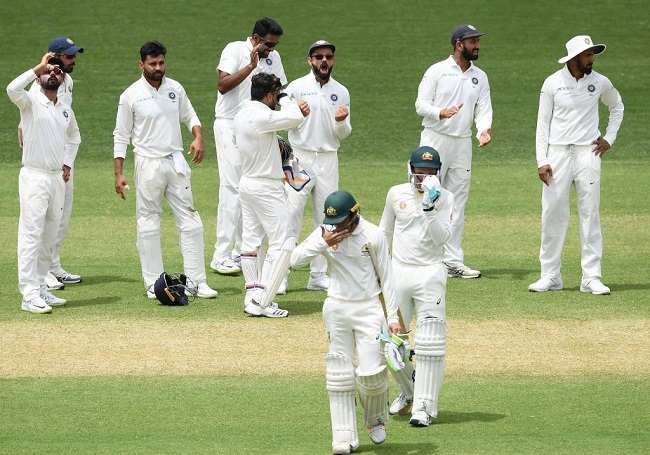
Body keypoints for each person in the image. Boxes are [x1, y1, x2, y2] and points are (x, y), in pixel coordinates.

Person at [291, 190, 401, 454]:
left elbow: (387, 277)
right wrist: (323, 243)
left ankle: (376, 421)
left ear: (354, 215)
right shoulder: (325, 233)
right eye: (333, 222)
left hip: (368, 308)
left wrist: (394, 317)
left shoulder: (373, 235)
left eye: (342, 222)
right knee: (339, 375)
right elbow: (295, 261)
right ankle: (343, 437)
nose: (337, 227)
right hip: (337, 308)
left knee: (371, 373)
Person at [113, 40, 218, 300]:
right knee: (148, 223)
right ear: (142, 65)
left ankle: (196, 281)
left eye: (161, 62)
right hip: (147, 163)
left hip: (176, 161)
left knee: (192, 222)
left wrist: (198, 136)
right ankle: (153, 283)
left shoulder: (175, 88)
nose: (158, 67)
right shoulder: (130, 95)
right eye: (152, 63)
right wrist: (118, 172)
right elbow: (121, 134)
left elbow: (190, 115)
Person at [529, 35, 624, 295]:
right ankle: (550, 276)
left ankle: (591, 277)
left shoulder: (600, 82)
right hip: (557, 154)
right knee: (553, 214)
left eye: (593, 54)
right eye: (587, 55)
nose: (592, 59)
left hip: (588, 153)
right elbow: (542, 124)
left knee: (590, 213)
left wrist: (610, 138)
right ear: (574, 58)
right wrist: (542, 160)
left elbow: (617, 107)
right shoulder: (553, 83)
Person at [379, 146, 453, 427]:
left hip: (430, 274)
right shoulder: (396, 193)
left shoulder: (446, 198)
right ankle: (410, 391)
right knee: (387, 340)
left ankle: (424, 407)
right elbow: (384, 233)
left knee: (430, 344)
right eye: (419, 173)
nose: (423, 179)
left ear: (438, 173)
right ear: (410, 170)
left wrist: (430, 209)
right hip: (398, 272)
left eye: (430, 173)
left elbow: (442, 238)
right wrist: (378, 270)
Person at [415, 24, 492, 279]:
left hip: (462, 142)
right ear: (459, 44)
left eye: (478, 41)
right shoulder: (437, 70)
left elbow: (483, 108)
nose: (478, 45)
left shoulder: (479, 76)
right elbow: (420, 104)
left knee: (457, 201)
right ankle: (420, 257)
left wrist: (484, 129)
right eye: (473, 41)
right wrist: (441, 112)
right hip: (434, 140)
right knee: (426, 195)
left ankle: (452, 261)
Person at [211, 18, 287, 276]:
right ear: (255, 38)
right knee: (232, 187)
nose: (272, 50)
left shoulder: (274, 58)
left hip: (257, 127)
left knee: (248, 187)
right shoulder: (234, 49)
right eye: (268, 44)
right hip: (229, 124)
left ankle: (241, 252)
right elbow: (223, 86)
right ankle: (221, 255)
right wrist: (250, 66)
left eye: (275, 45)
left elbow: (280, 90)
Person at [7, 52, 81, 313]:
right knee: (31, 234)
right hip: (34, 176)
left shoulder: (64, 109)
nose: (54, 73)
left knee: (49, 235)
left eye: (58, 72)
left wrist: (67, 163)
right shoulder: (29, 101)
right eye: (48, 71)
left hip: (56, 178)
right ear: (39, 78)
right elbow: (10, 88)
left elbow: (74, 137)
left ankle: (40, 288)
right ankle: (28, 295)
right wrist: (37, 67)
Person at [283, 39, 351, 293]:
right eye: (319, 57)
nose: (324, 61)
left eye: (329, 57)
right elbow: (286, 122)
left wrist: (341, 122)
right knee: (291, 214)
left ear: (333, 60)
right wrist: (296, 113)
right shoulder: (296, 87)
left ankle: (318, 275)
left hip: (328, 158)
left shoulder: (341, 91)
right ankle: (281, 274)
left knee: (328, 216)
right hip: (299, 159)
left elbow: (342, 134)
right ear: (309, 60)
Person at [234, 72, 304, 318]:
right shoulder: (261, 115)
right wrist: (286, 97)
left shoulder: (241, 114)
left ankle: (252, 293)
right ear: (270, 94)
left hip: (248, 183)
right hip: (267, 188)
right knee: (284, 242)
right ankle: (262, 302)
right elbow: (296, 117)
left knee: (251, 242)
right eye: (276, 94)